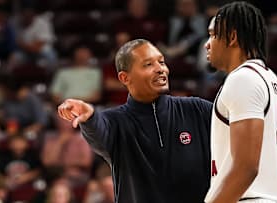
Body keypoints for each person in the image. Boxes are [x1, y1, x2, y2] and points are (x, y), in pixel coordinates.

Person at [57, 39, 212, 203]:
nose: (160, 69)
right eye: (148, 65)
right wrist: (90, 117)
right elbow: (99, 131)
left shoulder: (197, 109)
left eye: (161, 62)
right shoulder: (115, 121)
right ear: (125, 78)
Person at [203, 2, 277, 203]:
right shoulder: (272, 80)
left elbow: (246, 168)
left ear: (232, 37)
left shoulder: (243, 79)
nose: (207, 43)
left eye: (213, 35)